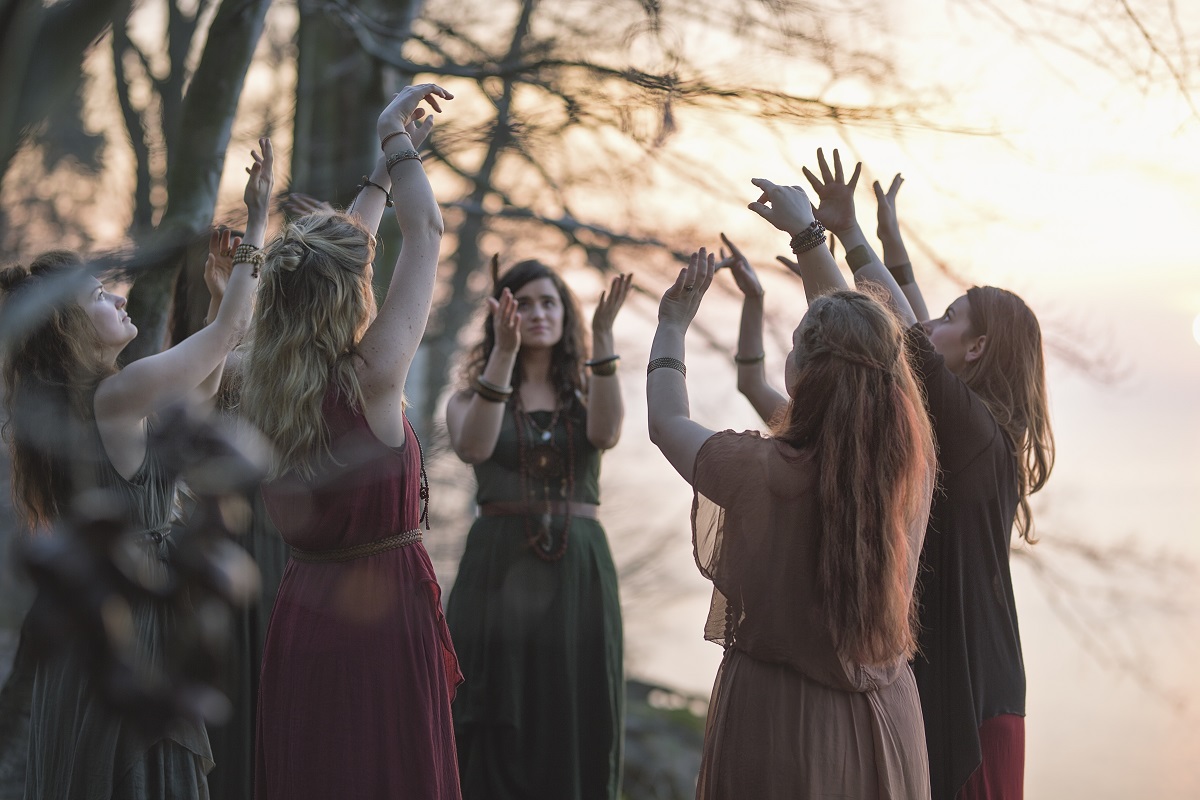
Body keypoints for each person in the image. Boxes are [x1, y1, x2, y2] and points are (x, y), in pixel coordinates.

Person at [774, 149, 1055, 799]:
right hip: (980, 691)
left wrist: (825, 237)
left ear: (978, 348)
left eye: (952, 317)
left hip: (973, 704)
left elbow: (894, 337)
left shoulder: (974, 434)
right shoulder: (982, 433)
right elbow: (917, 328)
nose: (932, 319)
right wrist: (876, 243)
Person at [0, 139, 271, 799]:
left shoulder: (103, 401)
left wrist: (216, 300)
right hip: (135, 621)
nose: (120, 300)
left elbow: (200, 394)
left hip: (115, 613)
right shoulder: (115, 396)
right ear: (67, 328)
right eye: (100, 296)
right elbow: (231, 336)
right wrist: (259, 223)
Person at [646, 231, 936, 797]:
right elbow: (884, 356)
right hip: (890, 719)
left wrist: (672, 326)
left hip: (780, 721)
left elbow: (666, 423)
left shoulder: (760, 471)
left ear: (806, 370)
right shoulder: (911, 470)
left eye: (796, 342)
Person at [241, 84, 462, 800]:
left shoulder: (260, 382)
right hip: (380, 620)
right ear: (350, 294)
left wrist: (378, 176)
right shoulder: (372, 379)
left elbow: (331, 260)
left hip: (304, 612)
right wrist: (392, 135)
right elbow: (426, 231)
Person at [443, 259, 632, 800]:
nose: (537, 313)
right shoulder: (468, 398)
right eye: (522, 304)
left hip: (580, 573)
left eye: (548, 302)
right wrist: (503, 353)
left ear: (565, 314)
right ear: (501, 315)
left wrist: (602, 338)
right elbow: (473, 446)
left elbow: (606, 433)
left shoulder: (587, 391)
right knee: (493, 712)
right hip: (496, 569)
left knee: (575, 708)